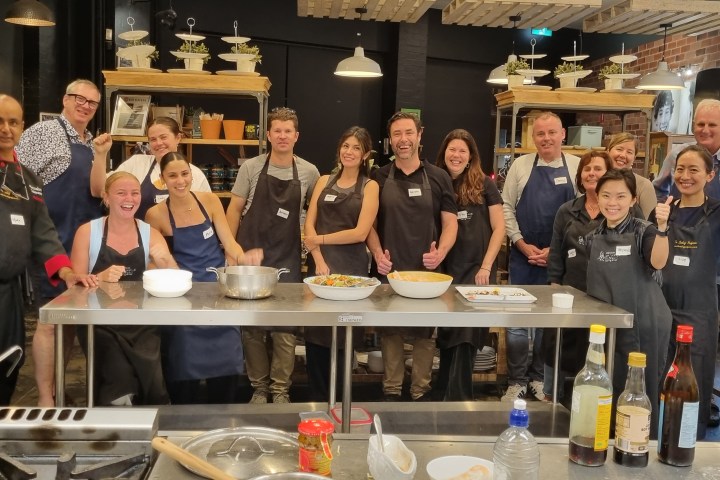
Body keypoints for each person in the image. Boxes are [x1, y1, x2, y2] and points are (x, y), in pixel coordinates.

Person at [15, 79, 111, 406]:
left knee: (68, 321)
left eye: (92, 103)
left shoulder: (89, 143)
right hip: (52, 240)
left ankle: (57, 389)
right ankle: (45, 399)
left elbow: (98, 191)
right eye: (79, 99)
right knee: (49, 322)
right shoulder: (44, 133)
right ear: (65, 98)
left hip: (82, 245)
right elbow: (17, 178)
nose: (85, 106)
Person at [146, 152, 263, 404]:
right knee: (183, 383)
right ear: (162, 180)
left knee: (226, 381)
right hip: (181, 304)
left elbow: (229, 244)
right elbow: (158, 260)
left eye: (185, 173)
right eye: (172, 175)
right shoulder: (155, 215)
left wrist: (245, 258)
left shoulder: (210, 201)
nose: (180, 181)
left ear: (192, 174)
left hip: (219, 299)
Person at [0, 94, 94, 405]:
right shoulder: (46, 136)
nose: (6, 129)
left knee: (8, 363)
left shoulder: (26, 180)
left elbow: (43, 234)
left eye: (13, 122)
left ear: (21, 127)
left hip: (8, 294)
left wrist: (66, 271)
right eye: (0, 121)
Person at [226, 107, 319, 404]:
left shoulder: (308, 171)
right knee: (252, 328)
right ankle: (259, 388)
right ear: (268, 134)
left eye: (287, 131)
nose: (282, 136)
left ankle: (280, 390)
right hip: (251, 259)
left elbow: (316, 215)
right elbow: (234, 210)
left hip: (287, 259)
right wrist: (232, 251)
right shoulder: (251, 168)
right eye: (276, 130)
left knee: (285, 330)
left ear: (296, 136)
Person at [367, 112, 458, 401]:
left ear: (420, 135)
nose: (403, 140)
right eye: (396, 134)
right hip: (390, 267)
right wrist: (377, 253)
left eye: (408, 133)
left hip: (427, 270)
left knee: (424, 334)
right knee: (390, 332)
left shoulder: (439, 176)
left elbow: (450, 223)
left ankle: (421, 393)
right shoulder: (378, 176)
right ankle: (391, 392)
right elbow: (368, 224)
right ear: (390, 139)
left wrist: (441, 252)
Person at [70, 172, 177, 405]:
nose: (129, 198)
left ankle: (152, 435)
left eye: (135, 193)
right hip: (100, 325)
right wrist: (98, 277)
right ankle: (115, 433)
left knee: (153, 386)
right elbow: (73, 285)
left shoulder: (150, 233)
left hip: (142, 324)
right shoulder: (88, 232)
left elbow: (175, 279)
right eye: (121, 193)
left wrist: (166, 262)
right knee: (119, 382)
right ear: (106, 198)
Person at [586, 168, 672, 438]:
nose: (613, 203)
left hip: (644, 323)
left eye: (621, 196)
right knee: (607, 385)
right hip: (609, 329)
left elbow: (658, 262)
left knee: (639, 394)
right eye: (606, 196)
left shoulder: (643, 231)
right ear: (597, 198)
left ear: (633, 199)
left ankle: (639, 448)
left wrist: (662, 229)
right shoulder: (593, 236)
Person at [500, 112, 580, 402]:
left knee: (550, 321)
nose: (546, 138)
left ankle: (538, 379)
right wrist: (520, 243)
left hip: (559, 261)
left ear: (563, 135)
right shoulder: (520, 166)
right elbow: (506, 207)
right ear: (533, 137)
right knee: (518, 322)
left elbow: (582, 213)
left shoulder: (577, 167)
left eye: (551, 133)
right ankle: (516, 381)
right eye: (540, 134)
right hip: (523, 257)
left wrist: (555, 253)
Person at [303, 126, 379, 400]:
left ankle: (340, 406)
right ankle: (316, 403)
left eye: (356, 148)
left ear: (365, 154)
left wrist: (319, 241)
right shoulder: (323, 181)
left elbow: (360, 232)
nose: (349, 152)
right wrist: (319, 260)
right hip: (320, 270)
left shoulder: (370, 187)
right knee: (316, 337)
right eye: (346, 146)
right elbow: (308, 225)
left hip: (352, 272)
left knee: (344, 338)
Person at [651, 145, 720, 439]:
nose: (685, 176)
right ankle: (657, 437)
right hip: (661, 307)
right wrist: (661, 225)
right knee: (658, 375)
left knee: (694, 377)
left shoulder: (717, 213)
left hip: (698, 310)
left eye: (694, 170)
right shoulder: (664, 211)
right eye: (680, 169)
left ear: (710, 174)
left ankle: (691, 440)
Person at [434, 129, 504, 401]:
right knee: (448, 338)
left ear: (471, 156)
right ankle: (444, 396)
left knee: (467, 338)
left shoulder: (485, 185)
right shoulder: (438, 182)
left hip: (478, 272)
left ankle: (458, 402)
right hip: (445, 272)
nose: (457, 155)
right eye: (452, 149)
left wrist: (486, 267)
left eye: (463, 150)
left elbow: (499, 229)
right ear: (444, 153)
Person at [544, 151, 613, 402]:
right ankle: (556, 398)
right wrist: (554, 286)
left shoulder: (618, 209)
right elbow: (556, 252)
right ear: (580, 176)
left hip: (607, 296)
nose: (591, 173)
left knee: (597, 350)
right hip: (569, 293)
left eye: (597, 169)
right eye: (587, 169)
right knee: (562, 349)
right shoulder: (567, 210)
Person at [110, 117, 211, 219]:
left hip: (182, 234)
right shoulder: (136, 164)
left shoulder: (196, 174)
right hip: (140, 233)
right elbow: (102, 189)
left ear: (178, 138)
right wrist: (101, 154)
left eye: (163, 137)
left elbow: (207, 213)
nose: (158, 143)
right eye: (153, 139)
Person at [654, 98, 720, 201]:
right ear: (693, 126)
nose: (705, 130)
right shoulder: (677, 154)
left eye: (712, 125)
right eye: (701, 124)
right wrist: (664, 212)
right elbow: (658, 192)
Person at [606, 132, 657, 218]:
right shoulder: (597, 180)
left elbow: (651, 224)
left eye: (629, 152)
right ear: (608, 152)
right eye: (619, 149)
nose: (623, 155)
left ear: (634, 158)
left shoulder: (644, 185)